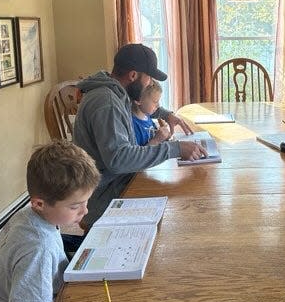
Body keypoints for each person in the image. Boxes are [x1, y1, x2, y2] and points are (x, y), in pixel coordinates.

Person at [0, 140, 128, 302]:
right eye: (75, 206)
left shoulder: (27, 215)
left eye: (86, 202)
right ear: (39, 204)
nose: (85, 211)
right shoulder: (39, 250)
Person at [73, 43, 206, 229]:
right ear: (133, 75)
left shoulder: (116, 91)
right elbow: (119, 160)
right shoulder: (107, 103)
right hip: (105, 197)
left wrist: (166, 114)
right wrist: (175, 149)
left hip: (119, 182)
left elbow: (141, 104)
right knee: (181, 210)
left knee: (179, 196)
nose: (150, 83)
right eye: (149, 77)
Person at [131, 81, 171, 146]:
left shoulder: (147, 116)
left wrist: (164, 136)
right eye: (155, 101)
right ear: (138, 100)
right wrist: (157, 140)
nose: (158, 105)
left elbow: (154, 136)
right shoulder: (133, 125)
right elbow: (140, 154)